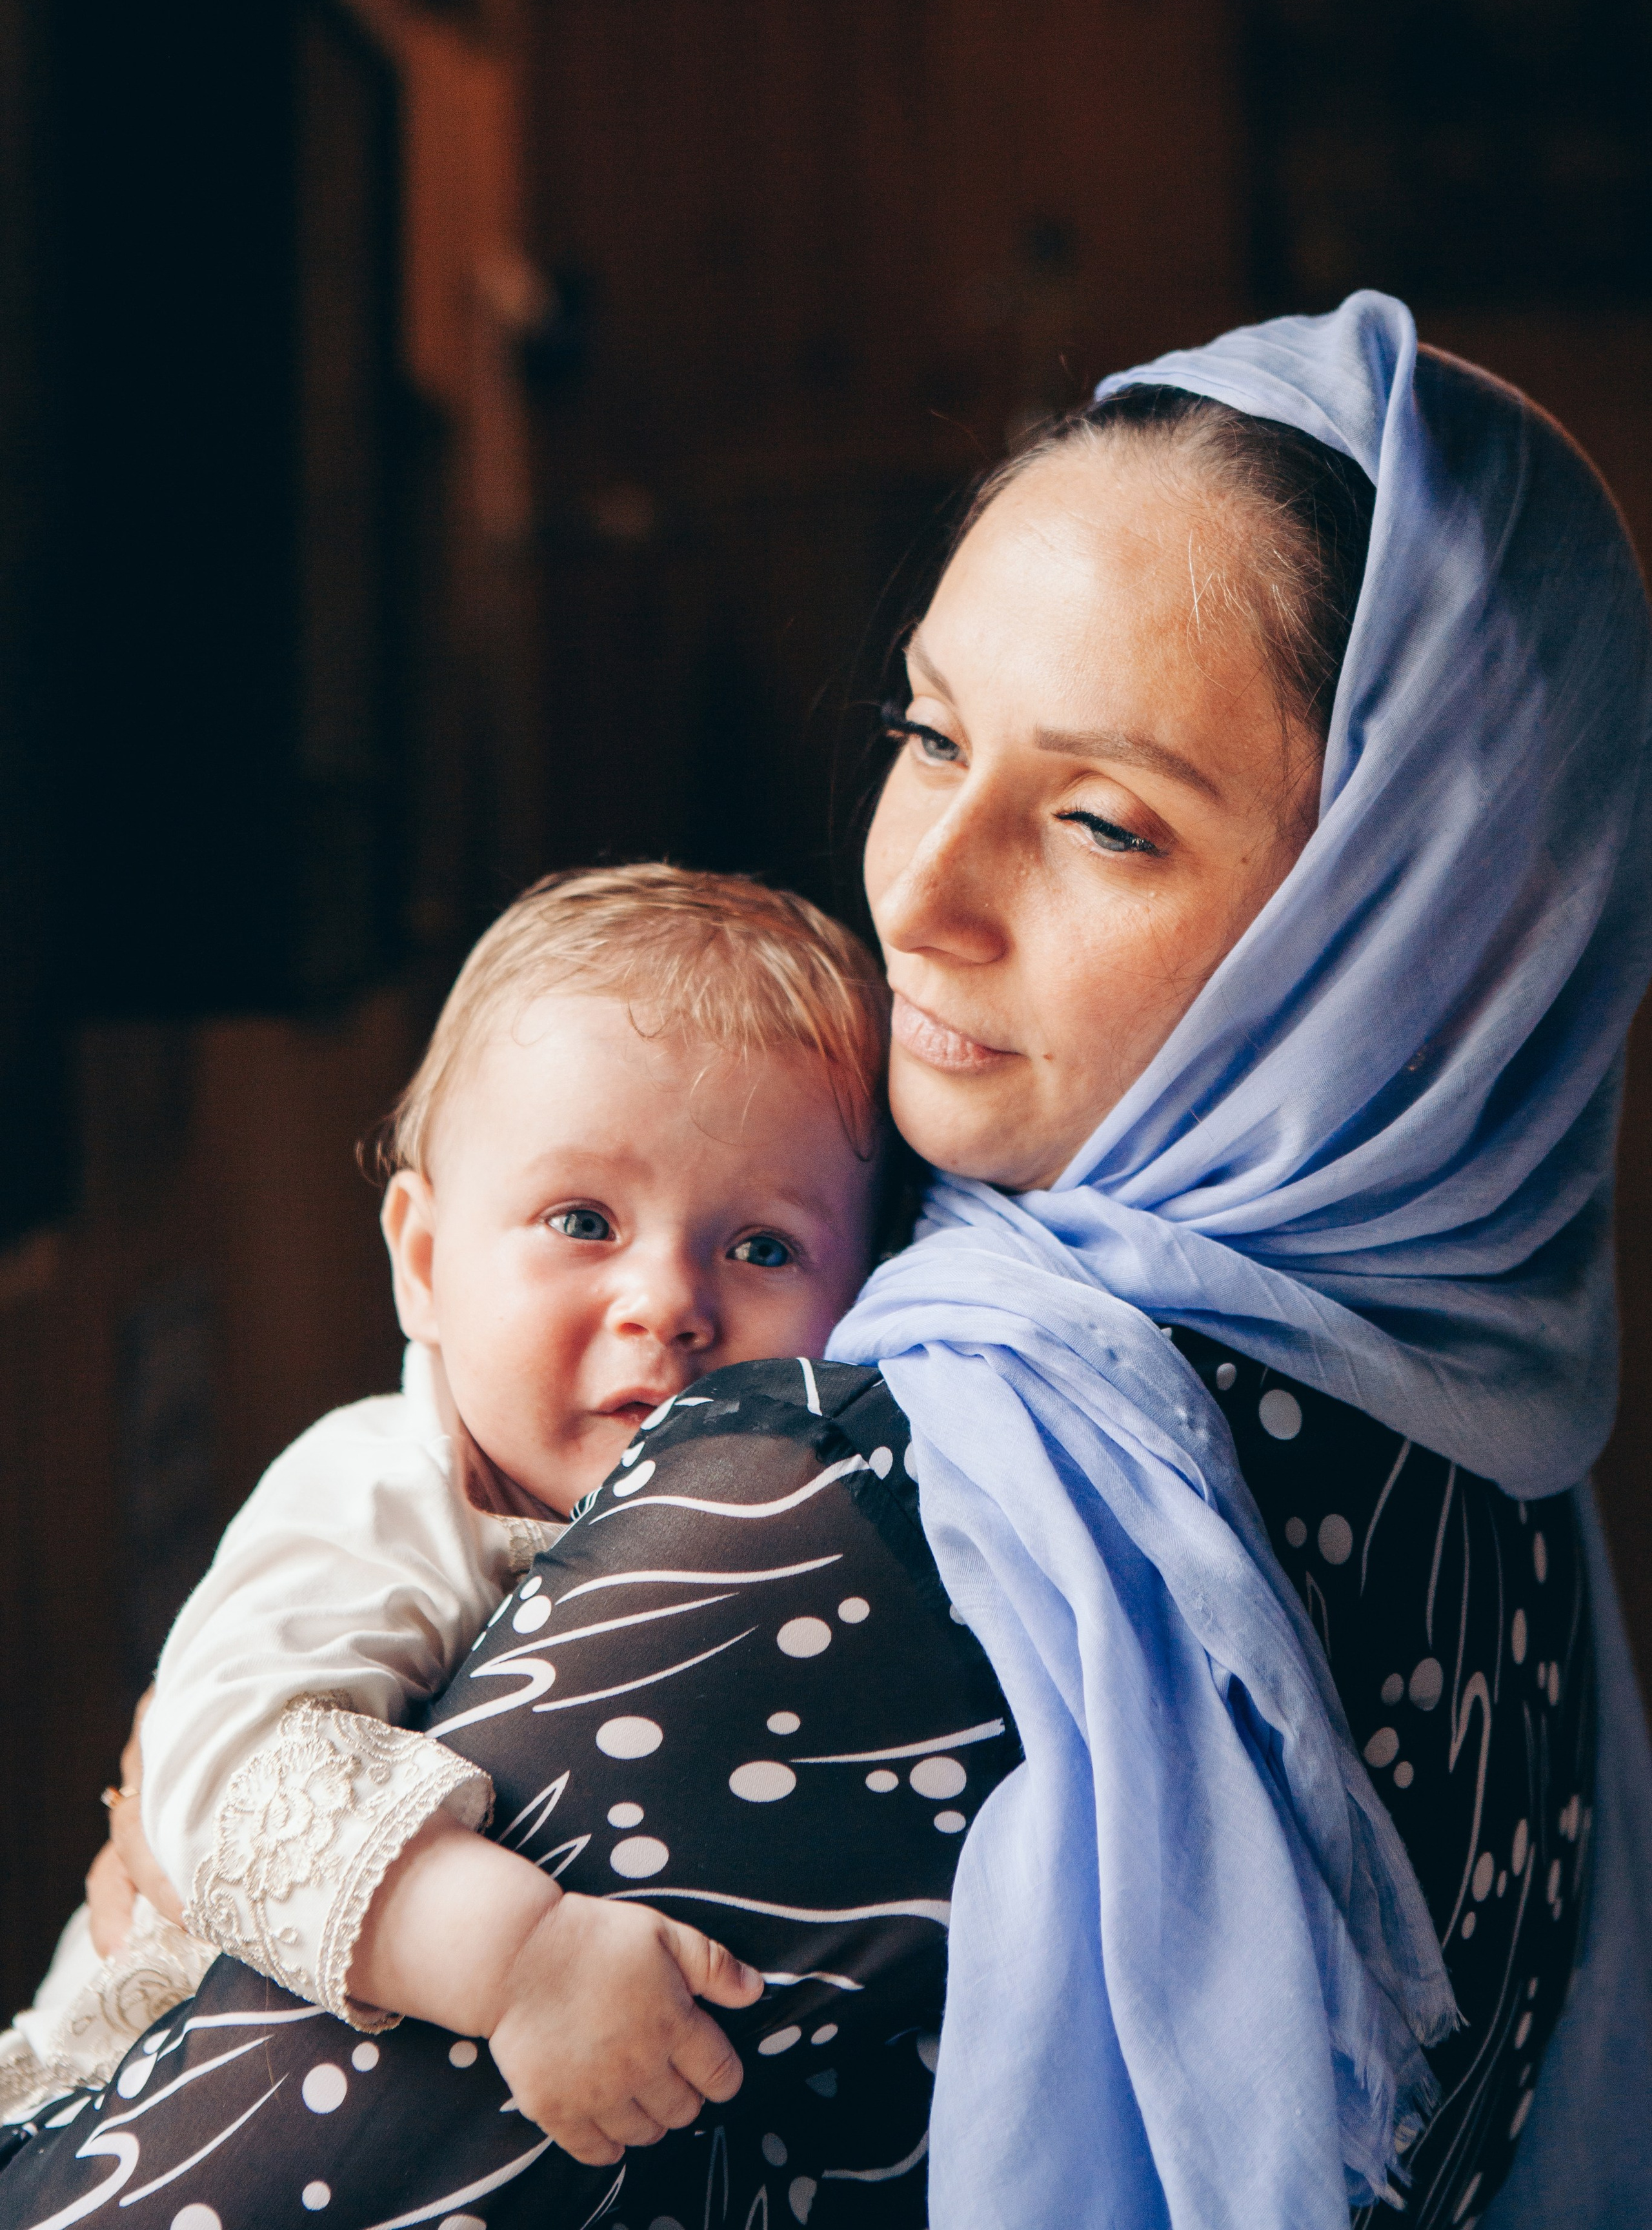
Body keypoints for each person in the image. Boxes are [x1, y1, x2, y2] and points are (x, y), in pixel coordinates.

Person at [4, 292, 1650, 2230]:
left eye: (1106, 824)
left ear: (1415, 930)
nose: (924, 896)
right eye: (928, 732)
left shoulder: (854, 1512)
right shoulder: (1498, 1454)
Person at [0, 865, 897, 2152]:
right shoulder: (386, 1485)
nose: (666, 1301)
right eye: (583, 1220)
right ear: (424, 1263)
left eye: (761, 1247)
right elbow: (225, 1778)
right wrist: (522, 1959)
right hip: (142, 2117)